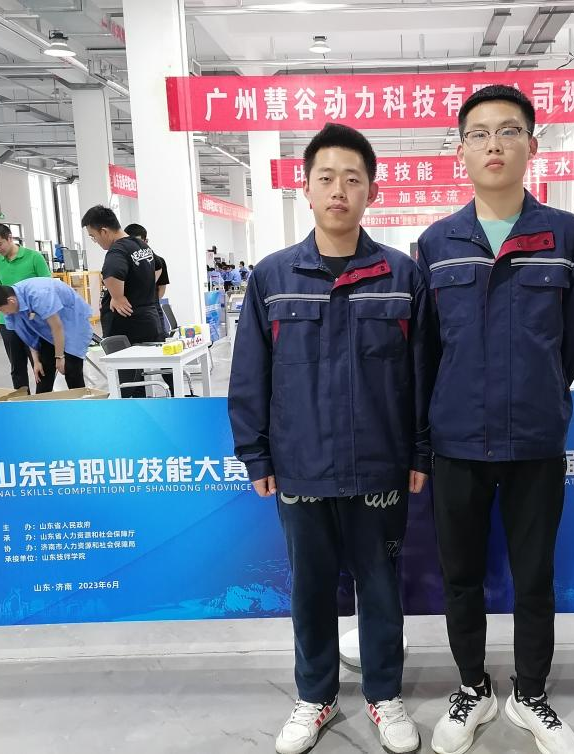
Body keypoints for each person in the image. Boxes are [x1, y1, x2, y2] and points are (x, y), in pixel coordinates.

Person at [229, 123, 435, 754]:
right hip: (302, 465)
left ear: (371, 190)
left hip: (379, 465)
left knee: (381, 587)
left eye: (352, 178)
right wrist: (256, 453)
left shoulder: (402, 275)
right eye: (327, 178)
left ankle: (384, 694)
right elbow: (250, 372)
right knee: (310, 589)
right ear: (307, 188)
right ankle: (315, 697)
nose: (339, 190)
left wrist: (420, 450)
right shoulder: (273, 277)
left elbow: (423, 373)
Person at [418, 85, 574, 754]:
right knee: (460, 577)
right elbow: (426, 351)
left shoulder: (567, 237)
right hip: (456, 440)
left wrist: (536, 394)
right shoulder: (436, 243)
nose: (493, 144)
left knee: (534, 578)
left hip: (534, 441)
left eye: (508, 131)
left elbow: (570, 342)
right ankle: (472, 689)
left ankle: (531, 694)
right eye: (479, 133)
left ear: (531, 144)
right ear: (461, 150)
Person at [82, 206, 163, 398]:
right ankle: (140, 407)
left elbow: (111, 272)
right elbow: (159, 266)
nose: (95, 241)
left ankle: (127, 411)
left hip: (126, 325)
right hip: (147, 318)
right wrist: (141, 287)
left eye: (93, 236)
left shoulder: (117, 250)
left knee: (124, 382)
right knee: (140, 376)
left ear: (104, 231)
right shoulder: (140, 245)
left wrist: (118, 297)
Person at [0, 279, 93, 393]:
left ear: (11, 300)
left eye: (1, 310)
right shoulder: (11, 310)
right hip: (47, 329)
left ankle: (82, 401)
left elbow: (57, 327)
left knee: (71, 369)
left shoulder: (39, 295)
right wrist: (36, 361)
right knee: (42, 372)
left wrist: (59, 357)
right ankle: (41, 403)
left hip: (73, 323)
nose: (3, 313)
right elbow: (28, 334)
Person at [0, 222, 52, 390]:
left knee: (40, 364)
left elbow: (48, 288)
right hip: (7, 322)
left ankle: (43, 399)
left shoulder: (34, 257)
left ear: (10, 238)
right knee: (17, 367)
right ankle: (21, 400)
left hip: (33, 321)